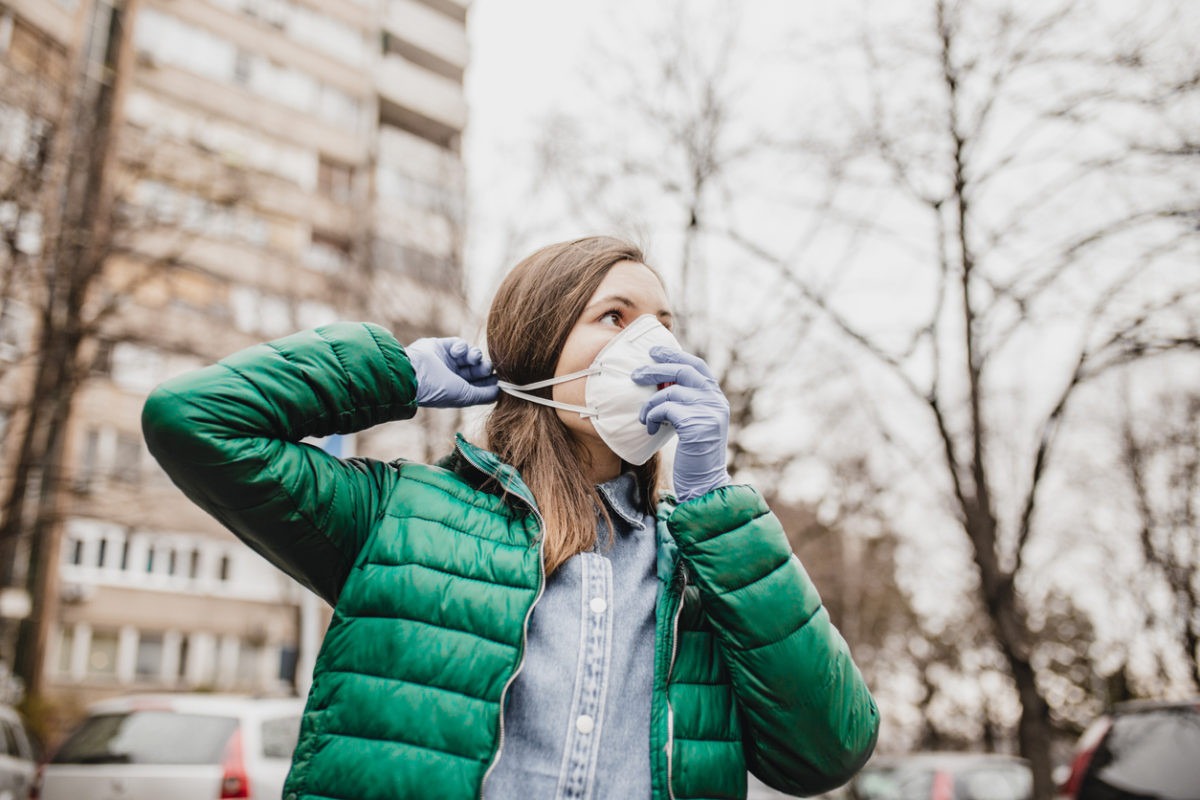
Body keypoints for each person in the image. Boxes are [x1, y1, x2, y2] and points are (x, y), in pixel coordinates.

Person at [142, 236, 878, 800]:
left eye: (664, 323)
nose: (654, 345)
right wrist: (393, 374)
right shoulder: (404, 520)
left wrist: (715, 506)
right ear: (539, 344)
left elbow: (831, 749)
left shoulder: (702, 569)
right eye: (615, 316)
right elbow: (193, 421)